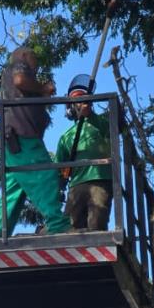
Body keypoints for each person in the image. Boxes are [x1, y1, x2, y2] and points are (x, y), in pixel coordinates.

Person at [0, 47, 70, 238]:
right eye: (35, 61)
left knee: (13, 191)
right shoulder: (18, 65)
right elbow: (20, 80)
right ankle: (57, 223)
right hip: (23, 139)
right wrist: (42, 87)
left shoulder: (12, 80)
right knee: (46, 175)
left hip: (14, 140)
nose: (36, 68)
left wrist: (40, 95)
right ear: (24, 56)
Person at [55, 74, 113, 231]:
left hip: (100, 179)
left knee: (97, 225)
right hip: (76, 184)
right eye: (76, 99)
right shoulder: (66, 137)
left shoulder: (102, 122)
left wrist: (90, 116)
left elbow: (113, 130)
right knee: (71, 227)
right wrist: (58, 188)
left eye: (83, 98)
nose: (80, 102)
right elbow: (60, 170)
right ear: (71, 106)